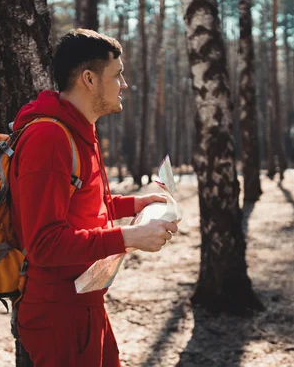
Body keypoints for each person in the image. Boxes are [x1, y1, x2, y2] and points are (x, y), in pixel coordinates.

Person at [9, 28, 179, 367]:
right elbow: (44, 244)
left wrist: (136, 204)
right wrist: (129, 236)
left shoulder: (80, 130)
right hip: (58, 316)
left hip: (85, 304)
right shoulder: (50, 138)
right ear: (89, 78)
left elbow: (82, 206)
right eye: (117, 75)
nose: (124, 84)